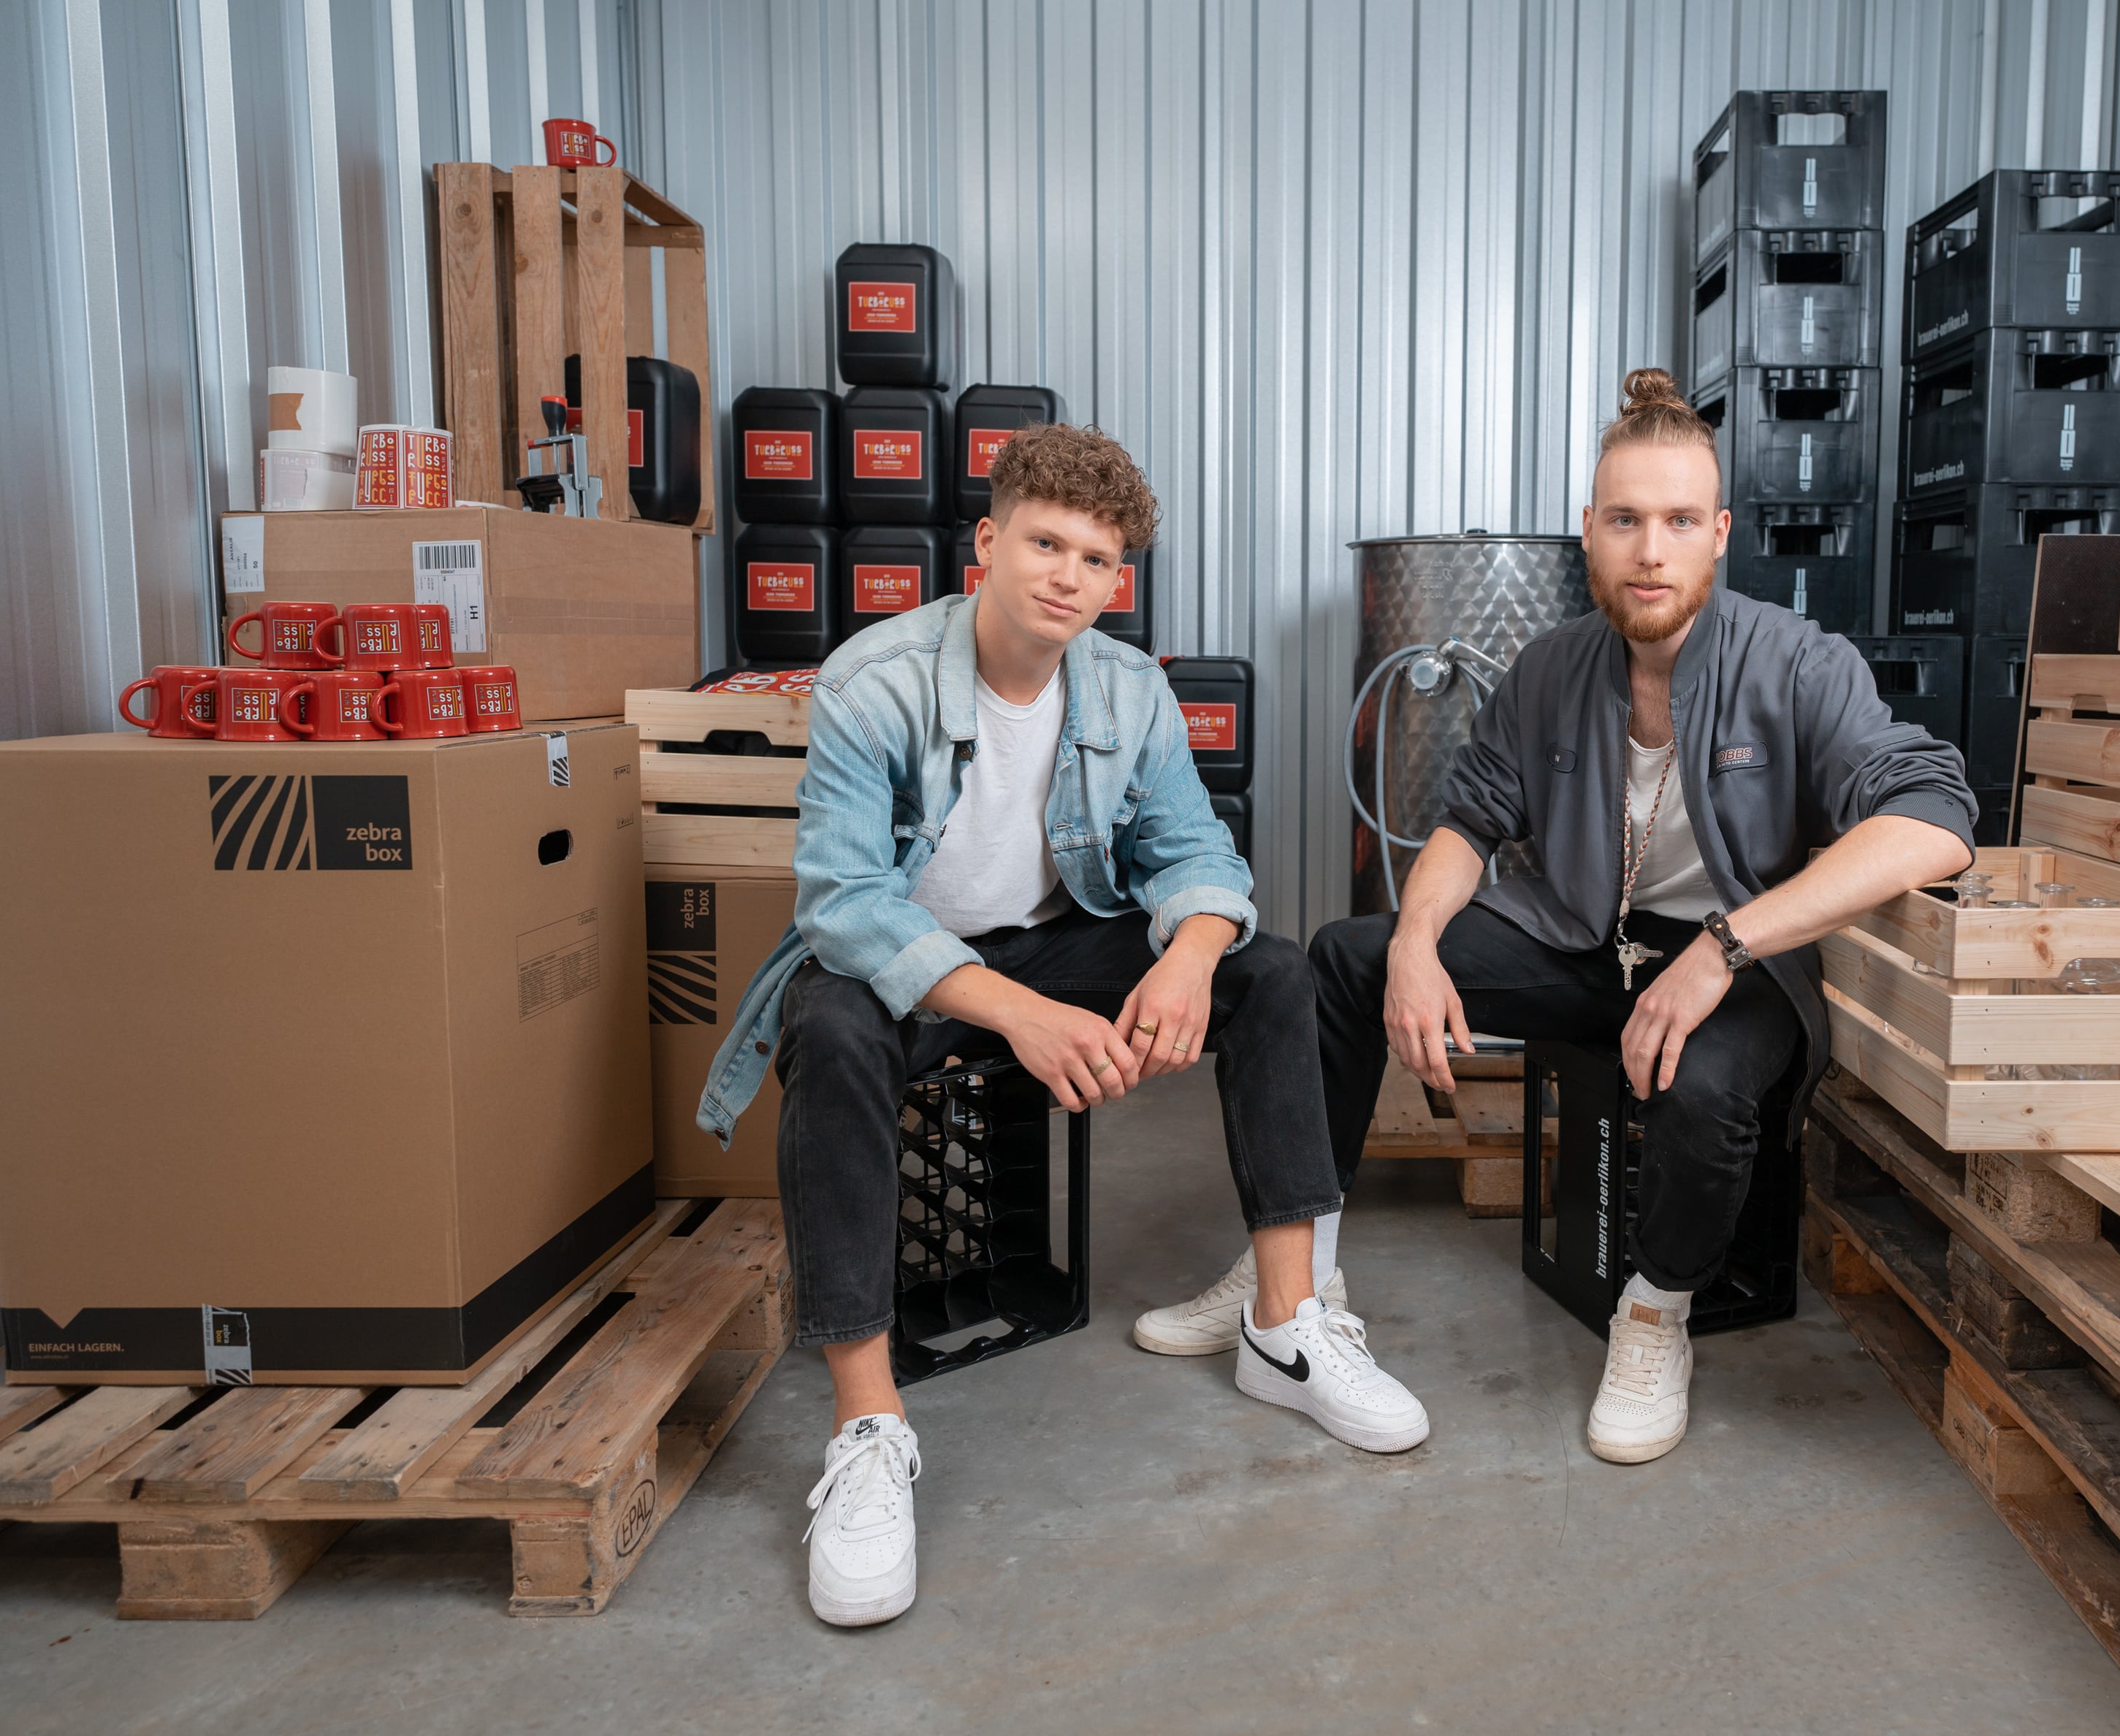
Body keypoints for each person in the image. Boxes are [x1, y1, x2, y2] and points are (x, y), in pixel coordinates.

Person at [699, 424, 1429, 1631]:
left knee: (1275, 971)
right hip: (912, 972)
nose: (1068, 578)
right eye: (1046, 543)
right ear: (987, 543)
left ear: (1116, 579)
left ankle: (1286, 1327)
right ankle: (869, 1429)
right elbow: (842, 905)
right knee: (825, 1032)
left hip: (1056, 939)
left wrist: (1194, 953)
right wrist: (1022, 1014)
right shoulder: (873, 680)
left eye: (1097, 560)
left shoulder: (1128, 687)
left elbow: (1195, 852)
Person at [1291, 367, 1974, 1464]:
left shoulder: (1797, 663)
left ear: (1721, 535)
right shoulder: (1551, 666)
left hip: (1740, 966)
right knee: (1340, 958)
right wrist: (1415, 944)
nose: (1650, 550)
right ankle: (1294, 1271)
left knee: (1705, 1095)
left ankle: (1655, 1313)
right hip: (1577, 939)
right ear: (1588, 534)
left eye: (1678, 521)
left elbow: (1936, 816)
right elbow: (1468, 821)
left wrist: (1725, 945)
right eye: (1624, 521)